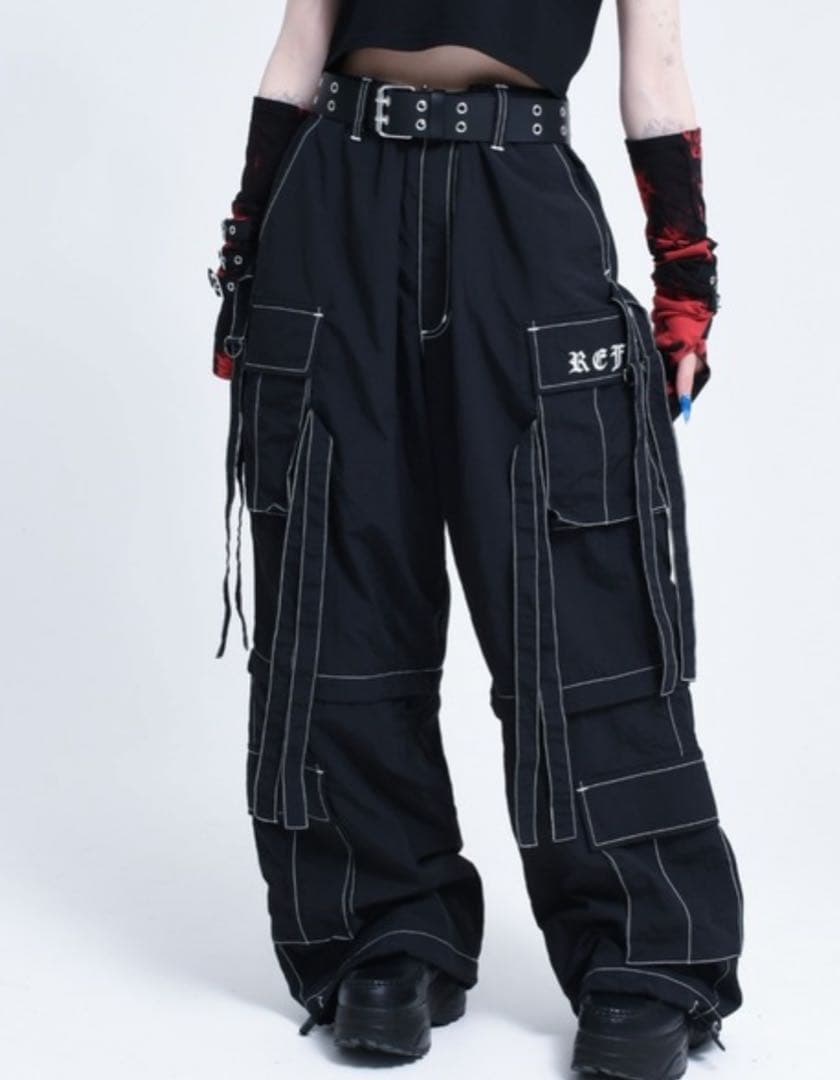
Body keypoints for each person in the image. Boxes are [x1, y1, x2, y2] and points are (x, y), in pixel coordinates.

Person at [206, 1, 744, 1076]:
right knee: (336, 571)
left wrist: (684, 285)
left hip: (521, 207)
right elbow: (299, 51)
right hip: (336, 203)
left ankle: (644, 954)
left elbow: (655, 71)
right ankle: (382, 931)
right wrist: (245, 252)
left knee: (581, 591)